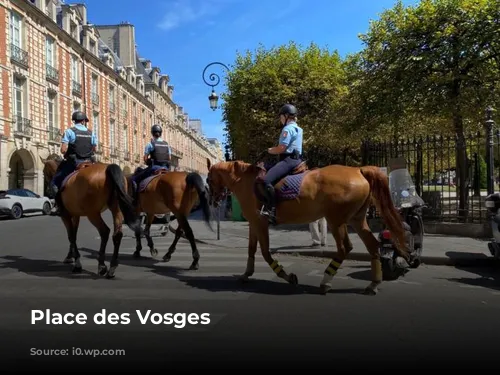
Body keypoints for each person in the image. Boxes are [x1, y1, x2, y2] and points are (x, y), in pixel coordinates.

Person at [259, 104, 303, 224]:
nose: (280, 119)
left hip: (288, 160)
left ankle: (272, 211)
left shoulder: (287, 129)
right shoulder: (299, 129)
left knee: (266, 180)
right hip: (298, 159)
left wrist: (269, 150)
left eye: (281, 116)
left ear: (286, 116)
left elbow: (282, 148)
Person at [51, 110, 97, 214]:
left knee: (55, 182)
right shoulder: (91, 133)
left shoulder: (69, 132)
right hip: (89, 162)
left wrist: (66, 152)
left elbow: (63, 150)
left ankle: (59, 206)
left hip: (75, 163)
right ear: (83, 121)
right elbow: (94, 149)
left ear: (74, 121)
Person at [132, 124, 171, 199]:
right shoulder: (167, 145)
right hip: (166, 168)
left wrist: (148, 162)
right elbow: (169, 158)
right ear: (161, 133)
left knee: (135, 179)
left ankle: (135, 199)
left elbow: (145, 158)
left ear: (152, 133)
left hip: (155, 167)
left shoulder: (150, 144)